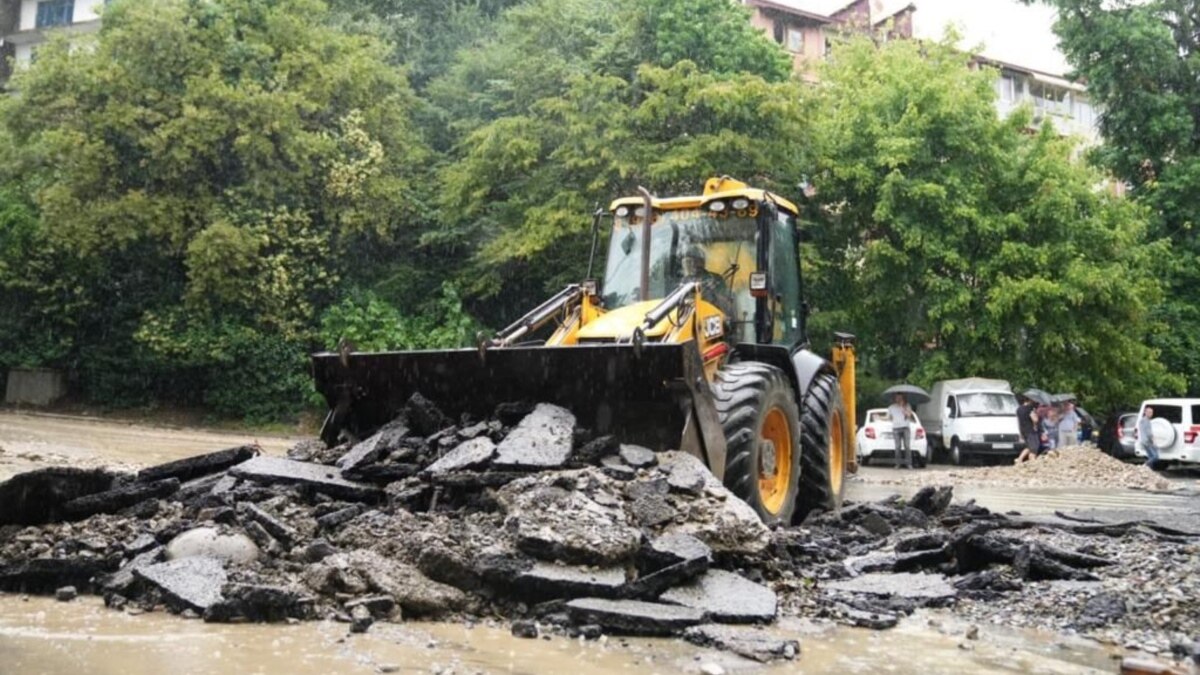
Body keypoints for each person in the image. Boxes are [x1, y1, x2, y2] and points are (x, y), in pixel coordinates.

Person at [680, 245, 735, 319]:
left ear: (702, 261)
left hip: (712, 317)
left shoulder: (716, 279)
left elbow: (726, 305)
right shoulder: (684, 282)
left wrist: (711, 293)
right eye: (688, 262)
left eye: (695, 261)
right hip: (687, 319)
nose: (692, 264)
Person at [888, 393, 913, 469]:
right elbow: (890, 417)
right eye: (897, 398)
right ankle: (897, 464)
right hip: (896, 428)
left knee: (907, 446)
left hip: (905, 427)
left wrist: (903, 408)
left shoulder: (907, 405)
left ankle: (908, 463)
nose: (898, 399)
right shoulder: (891, 407)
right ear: (895, 398)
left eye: (900, 398)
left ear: (903, 398)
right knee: (897, 447)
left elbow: (909, 415)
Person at [1015, 396, 1040, 463]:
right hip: (1031, 430)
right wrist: (1036, 415)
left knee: (1029, 446)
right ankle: (1032, 461)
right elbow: (1035, 420)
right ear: (1029, 400)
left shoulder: (1018, 409)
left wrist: (1020, 433)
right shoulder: (1030, 409)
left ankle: (1019, 459)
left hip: (1023, 430)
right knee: (1034, 448)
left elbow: (1018, 421)